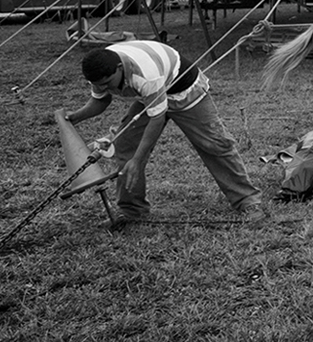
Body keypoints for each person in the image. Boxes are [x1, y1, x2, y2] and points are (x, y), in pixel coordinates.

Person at [61, 40, 263, 228]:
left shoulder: (145, 75)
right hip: (149, 96)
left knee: (215, 144)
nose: (104, 88)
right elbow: (100, 101)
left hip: (184, 90)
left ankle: (247, 201)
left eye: (107, 83)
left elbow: (157, 119)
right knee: (126, 147)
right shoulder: (100, 70)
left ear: (120, 69)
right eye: (99, 85)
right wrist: (74, 117)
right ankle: (132, 211)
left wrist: (138, 160)